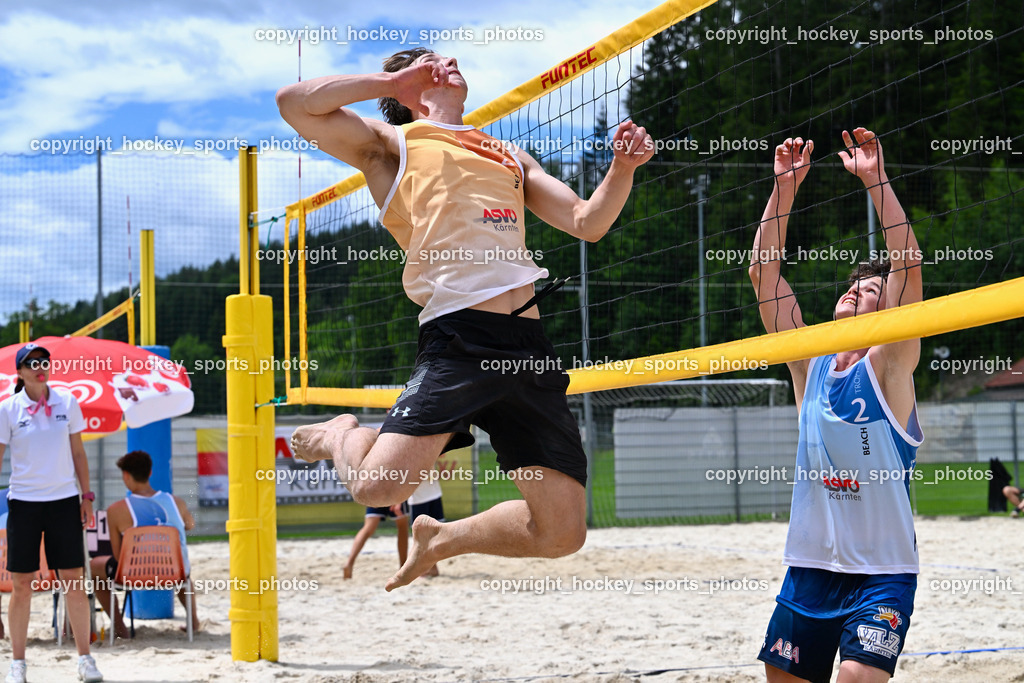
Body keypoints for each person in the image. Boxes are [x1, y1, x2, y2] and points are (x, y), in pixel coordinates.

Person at [277, 48, 654, 590]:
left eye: (450, 56)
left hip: (526, 344)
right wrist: (393, 81)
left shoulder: (508, 153)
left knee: (562, 533)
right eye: (434, 59)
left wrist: (622, 169)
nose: (451, 60)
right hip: (460, 337)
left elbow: (585, 221)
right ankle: (342, 434)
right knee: (376, 491)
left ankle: (445, 538)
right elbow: (294, 104)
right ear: (410, 85)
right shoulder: (391, 144)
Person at [748, 129, 924, 682]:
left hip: (882, 574)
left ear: (884, 311)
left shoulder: (890, 366)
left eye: (869, 292)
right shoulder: (810, 365)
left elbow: (908, 265)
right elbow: (763, 274)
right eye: (849, 289)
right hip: (809, 569)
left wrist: (876, 180)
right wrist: (784, 190)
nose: (854, 292)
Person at [0, 344, 103, 683]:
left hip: (63, 501)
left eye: (44, 362)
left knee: (73, 581)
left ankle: (85, 660)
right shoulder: (8, 409)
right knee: (21, 584)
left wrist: (86, 496)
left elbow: (78, 452)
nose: (39, 367)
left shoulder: (67, 402)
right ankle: (18, 663)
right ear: (20, 372)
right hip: (24, 504)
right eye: (31, 364)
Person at [89, 450, 199, 638]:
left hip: (134, 574)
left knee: (94, 568)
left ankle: (120, 628)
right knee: (183, 569)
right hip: (175, 572)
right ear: (150, 473)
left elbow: (117, 555)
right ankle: (194, 621)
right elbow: (190, 525)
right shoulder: (177, 502)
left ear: (125, 475)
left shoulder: (116, 510)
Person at [343, 503, 409, 579]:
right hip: (394, 494)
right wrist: (399, 501)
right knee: (402, 527)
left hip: (375, 493)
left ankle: (349, 563)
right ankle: (403, 567)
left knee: (367, 528)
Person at [407, 475, 445, 578]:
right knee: (425, 536)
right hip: (424, 497)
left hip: (428, 496)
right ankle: (430, 568)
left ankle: (431, 568)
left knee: (430, 536)